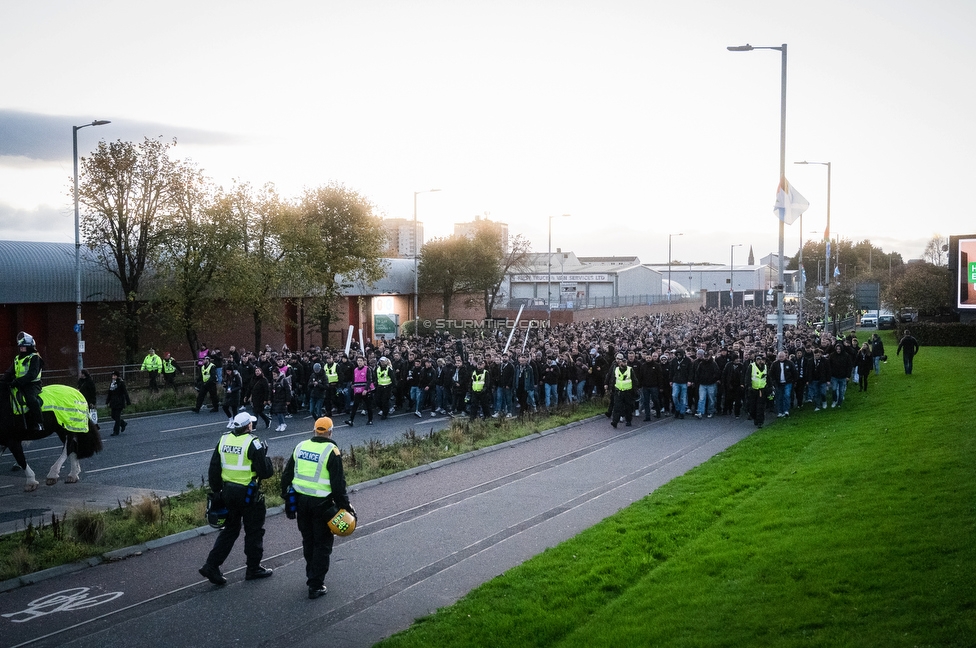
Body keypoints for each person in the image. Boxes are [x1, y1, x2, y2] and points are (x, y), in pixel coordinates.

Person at [280, 417, 354, 599]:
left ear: (314, 430)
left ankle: (311, 573)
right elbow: (338, 484)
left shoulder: (301, 446)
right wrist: (345, 507)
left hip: (301, 503)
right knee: (322, 544)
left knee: (308, 540)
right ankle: (315, 584)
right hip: (322, 505)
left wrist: (286, 497)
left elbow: (287, 475)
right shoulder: (331, 451)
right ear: (330, 432)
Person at [199, 412, 274, 586]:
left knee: (230, 530)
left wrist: (217, 492)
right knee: (254, 531)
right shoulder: (253, 443)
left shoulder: (224, 439)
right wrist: (266, 458)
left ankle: (211, 565)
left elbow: (214, 468)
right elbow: (265, 472)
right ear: (248, 426)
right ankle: (253, 568)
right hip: (248, 495)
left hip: (228, 493)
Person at [4, 331, 44, 430]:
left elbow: (32, 374)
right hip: (19, 384)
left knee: (31, 399)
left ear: (29, 347)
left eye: (23, 346)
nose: (21, 348)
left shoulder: (35, 357)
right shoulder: (17, 358)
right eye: (20, 347)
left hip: (32, 385)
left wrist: (17, 382)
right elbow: (10, 371)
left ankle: (39, 423)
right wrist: (3, 381)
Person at [345, 356, 375, 426]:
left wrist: (366, 389)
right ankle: (351, 420)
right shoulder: (355, 370)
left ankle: (370, 420)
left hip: (365, 391)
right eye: (358, 361)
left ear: (364, 361)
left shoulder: (367, 369)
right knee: (355, 405)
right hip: (357, 390)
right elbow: (354, 379)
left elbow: (369, 380)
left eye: (361, 361)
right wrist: (353, 384)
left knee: (368, 405)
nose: (359, 362)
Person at [610, 353, 637, 428]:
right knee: (617, 407)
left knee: (628, 407)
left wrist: (635, 390)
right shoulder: (616, 369)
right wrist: (612, 388)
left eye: (625, 362)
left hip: (628, 391)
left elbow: (634, 380)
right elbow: (613, 379)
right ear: (620, 363)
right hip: (618, 391)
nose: (624, 364)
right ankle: (615, 421)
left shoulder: (630, 369)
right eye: (623, 362)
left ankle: (628, 421)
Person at [769, 351, 797, 419]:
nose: (781, 358)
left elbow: (794, 372)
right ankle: (780, 411)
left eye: (782, 356)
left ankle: (786, 410)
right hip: (778, 383)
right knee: (779, 397)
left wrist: (794, 381)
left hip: (788, 382)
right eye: (780, 357)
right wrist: (774, 382)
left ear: (785, 356)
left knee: (787, 396)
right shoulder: (775, 364)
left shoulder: (790, 363)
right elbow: (771, 374)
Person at [694, 349, 721, 419]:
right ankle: (700, 412)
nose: (706, 358)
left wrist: (713, 379)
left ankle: (710, 411)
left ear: (710, 356)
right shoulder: (701, 364)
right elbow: (697, 373)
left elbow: (717, 372)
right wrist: (698, 380)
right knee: (701, 399)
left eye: (707, 356)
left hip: (711, 384)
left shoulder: (713, 363)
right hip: (702, 384)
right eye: (705, 356)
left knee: (711, 399)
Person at [828, 342, 854, 408]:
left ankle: (839, 403)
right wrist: (830, 375)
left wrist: (848, 376)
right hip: (834, 376)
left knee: (841, 391)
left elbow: (849, 366)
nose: (838, 350)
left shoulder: (846, 355)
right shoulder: (832, 355)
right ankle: (834, 400)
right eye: (837, 349)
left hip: (843, 377)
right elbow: (829, 366)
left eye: (839, 349)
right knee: (834, 389)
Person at [747, 352, 770, 429]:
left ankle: (760, 421)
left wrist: (770, 387)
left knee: (760, 407)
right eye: (758, 359)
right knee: (752, 407)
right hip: (753, 390)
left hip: (762, 390)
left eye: (762, 359)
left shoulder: (765, 367)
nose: (760, 361)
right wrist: (749, 386)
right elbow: (747, 377)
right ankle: (755, 418)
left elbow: (768, 378)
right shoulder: (751, 366)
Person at [105, 369, 131, 436]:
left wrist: (128, 401)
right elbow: (110, 393)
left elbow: (125, 392)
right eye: (112, 376)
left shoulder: (121, 383)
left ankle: (116, 431)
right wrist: (107, 401)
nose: (113, 377)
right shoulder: (112, 384)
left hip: (119, 402)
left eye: (114, 376)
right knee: (113, 416)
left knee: (117, 417)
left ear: (117, 376)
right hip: (113, 402)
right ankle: (123, 423)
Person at [669, 348, 692, 420]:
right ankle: (677, 408)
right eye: (677, 354)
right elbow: (671, 371)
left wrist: (689, 380)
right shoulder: (674, 360)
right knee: (674, 396)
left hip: (684, 381)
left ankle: (682, 412)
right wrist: (670, 380)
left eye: (680, 354)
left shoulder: (688, 360)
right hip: (675, 381)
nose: (678, 355)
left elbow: (690, 371)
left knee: (683, 398)